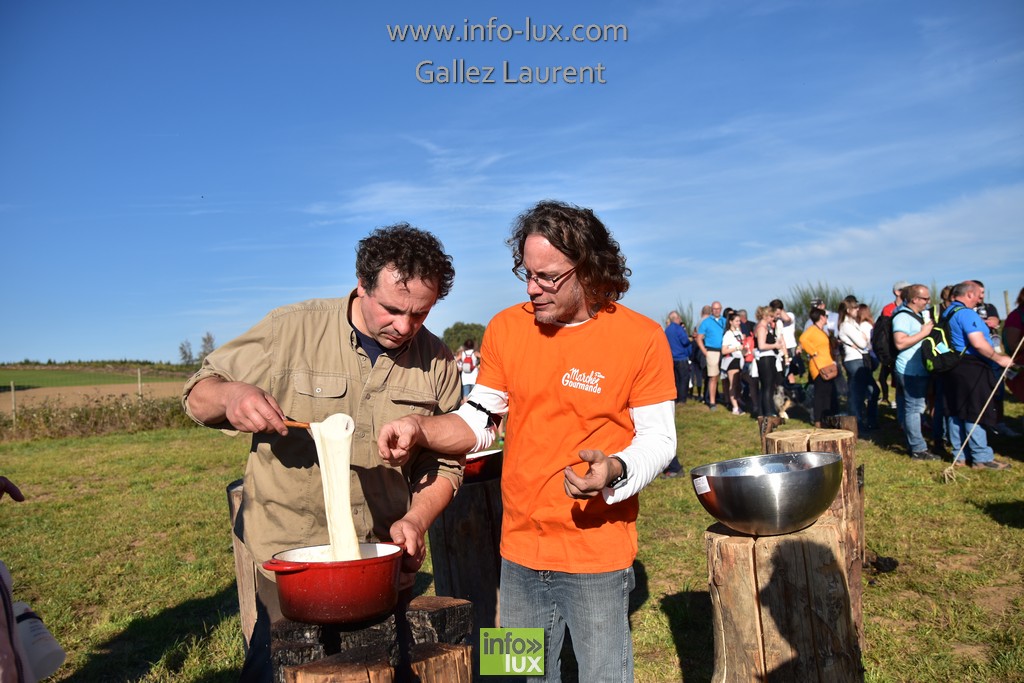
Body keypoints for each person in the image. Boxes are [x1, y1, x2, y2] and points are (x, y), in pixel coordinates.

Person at [377, 200, 677, 682]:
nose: (532, 288)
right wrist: (420, 428)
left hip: (597, 555)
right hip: (517, 552)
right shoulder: (506, 326)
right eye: (527, 273)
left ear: (588, 269)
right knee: (515, 675)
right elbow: (479, 419)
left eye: (548, 277)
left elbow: (660, 439)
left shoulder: (642, 337)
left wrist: (614, 470)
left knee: (604, 676)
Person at [181, 223, 463, 682]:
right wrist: (231, 396)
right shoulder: (290, 330)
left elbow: (445, 464)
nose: (404, 327)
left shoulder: (438, 362)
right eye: (392, 310)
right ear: (362, 283)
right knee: (283, 671)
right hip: (292, 558)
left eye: (420, 313)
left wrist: (416, 519)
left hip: (380, 559)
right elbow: (198, 394)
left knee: (379, 671)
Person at [942, 281, 1014, 469]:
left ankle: (960, 455)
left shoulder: (947, 312)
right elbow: (978, 342)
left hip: (953, 366)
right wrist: (999, 359)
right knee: (974, 410)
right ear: (969, 294)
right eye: (979, 294)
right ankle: (981, 457)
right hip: (971, 367)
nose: (981, 297)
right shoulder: (966, 313)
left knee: (956, 410)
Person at [892, 284, 941, 461]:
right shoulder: (903, 317)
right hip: (909, 370)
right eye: (925, 298)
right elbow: (900, 342)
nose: (928, 301)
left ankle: (913, 443)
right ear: (914, 299)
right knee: (914, 408)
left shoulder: (918, 315)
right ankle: (918, 449)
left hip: (916, 370)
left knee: (910, 407)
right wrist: (924, 333)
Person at [800, 308, 837, 427]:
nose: (827, 318)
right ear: (821, 317)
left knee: (828, 393)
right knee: (820, 393)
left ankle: (826, 418)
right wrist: (813, 351)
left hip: (827, 365)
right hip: (818, 366)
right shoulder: (812, 329)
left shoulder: (822, 331)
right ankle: (818, 420)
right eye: (826, 316)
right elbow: (802, 339)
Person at [838, 299, 871, 429]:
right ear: (848, 310)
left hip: (857, 358)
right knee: (856, 392)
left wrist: (863, 339)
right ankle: (856, 421)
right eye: (855, 307)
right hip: (854, 359)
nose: (858, 309)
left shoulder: (852, 324)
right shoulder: (846, 325)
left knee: (857, 391)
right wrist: (863, 338)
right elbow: (863, 343)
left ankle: (858, 419)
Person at [879, 281, 910, 408]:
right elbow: (885, 331)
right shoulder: (888, 309)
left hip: (906, 347)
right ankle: (893, 402)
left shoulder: (910, 306)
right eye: (905, 289)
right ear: (897, 292)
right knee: (888, 378)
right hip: (892, 349)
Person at [755, 305, 785, 418]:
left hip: (769, 358)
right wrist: (775, 345)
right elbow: (761, 345)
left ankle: (763, 411)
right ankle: (768, 412)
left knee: (767, 386)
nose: (773, 319)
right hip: (765, 358)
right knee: (767, 386)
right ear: (765, 316)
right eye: (771, 316)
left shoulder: (765, 327)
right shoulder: (762, 328)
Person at [696, 302, 726, 410]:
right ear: (711, 310)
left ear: (721, 309)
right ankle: (712, 402)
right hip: (711, 351)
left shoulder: (724, 321)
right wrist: (705, 352)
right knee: (713, 377)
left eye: (718, 309)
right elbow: (699, 338)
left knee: (723, 377)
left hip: (724, 351)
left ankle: (725, 399)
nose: (716, 311)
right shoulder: (706, 322)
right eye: (714, 309)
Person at [856, 304, 880, 429]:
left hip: (865, 358)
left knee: (866, 389)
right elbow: (869, 344)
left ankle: (867, 418)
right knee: (872, 390)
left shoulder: (859, 325)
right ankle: (871, 420)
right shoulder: (867, 326)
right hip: (868, 357)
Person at [664, 311, 692, 404]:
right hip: (681, 357)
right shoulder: (679, 329)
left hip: (672, 358)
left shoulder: (667, 330)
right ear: (676, 318)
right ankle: (682, 399)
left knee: (676, 379)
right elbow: (685, 341)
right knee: (684, 378)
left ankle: (675, 398)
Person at [720, 312, 745, 415]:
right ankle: (735, 407)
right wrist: (736, 348)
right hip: (732, 360)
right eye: (736, 321)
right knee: (733, 384)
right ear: (731, 322)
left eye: (739, 321)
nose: (739, 323)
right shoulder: (728, 334)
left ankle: (738, 401)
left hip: (740, 358)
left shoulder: (738, 332)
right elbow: (724, 350)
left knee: (738, 383)